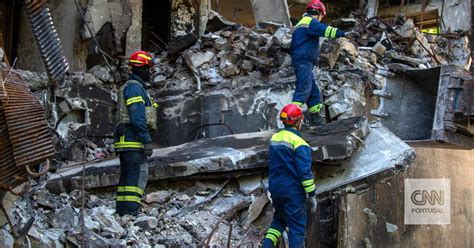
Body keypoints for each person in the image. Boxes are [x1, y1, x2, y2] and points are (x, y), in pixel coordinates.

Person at [290, 0, 358, 126]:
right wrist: (344, 34)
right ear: (319, 13)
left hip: (303, 62)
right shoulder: (311, 22)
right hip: (304, 62)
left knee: (313, 92)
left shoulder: (302, 23)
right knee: (303, 90)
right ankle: (290, 121)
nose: (321, 19)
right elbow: (326, 30)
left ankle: (316, 121)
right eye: (322, 16)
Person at [262, 104, 318, 247]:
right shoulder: (300, 143)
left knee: (279, 220)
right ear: (299, 120)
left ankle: (266, 245)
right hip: (292, 192)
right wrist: (311, 194)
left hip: (275, 189)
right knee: (297, 228)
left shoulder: (275, 138)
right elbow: (304, 173)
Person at [114, 50, 158, 216]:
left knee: (126, 179)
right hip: (133, 140)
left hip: (126, 139)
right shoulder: (135, 88)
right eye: (149, 69)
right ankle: (131, 213)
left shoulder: (130, 86)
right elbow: (138, 116)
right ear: (142, 69)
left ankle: (122, 213)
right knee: (136, 177)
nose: (150, 73)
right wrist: (146, 140)